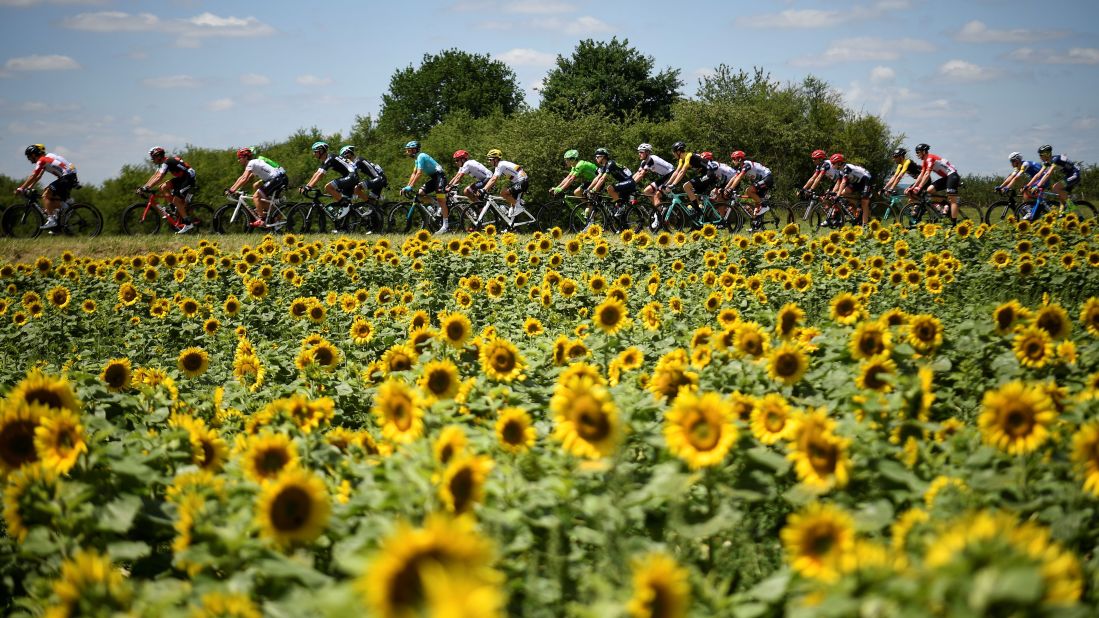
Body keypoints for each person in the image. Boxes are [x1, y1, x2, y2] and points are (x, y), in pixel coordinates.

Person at [14, 144, 79, 231]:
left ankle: (52, 219)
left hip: (66, 177)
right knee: (51, 197)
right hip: (71, 176)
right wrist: (29, 187)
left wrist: (21, 188)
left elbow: (34, 175)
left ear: (33, 155)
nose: (29, 159)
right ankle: (63, 212)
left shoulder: (41, 160)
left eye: (29, 157)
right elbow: (38, 176)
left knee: (46, 195)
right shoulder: (48, 158)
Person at [227, 147, 288, 227]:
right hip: (277, 178)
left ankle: (262, 220)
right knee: (260, 200)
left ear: (245, 157)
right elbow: (243, 177)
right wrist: (232, 189)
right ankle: (276, 214)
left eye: (239, 158)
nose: (238, 160)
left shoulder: (251, 163)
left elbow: (244, 179)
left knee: (256, 197)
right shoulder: (253, 163)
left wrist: (232, 190)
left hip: (276, 178)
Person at [141, 146, 197, 234]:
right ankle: (173, 208)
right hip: (181, 178)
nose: (152, 159)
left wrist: (148, 187)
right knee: (163, 187)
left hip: (188, 178)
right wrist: (144, 186)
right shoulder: (163, 163)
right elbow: (155, 176)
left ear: (158, 156)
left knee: (176, 200)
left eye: (153, 157)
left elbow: (159, 177)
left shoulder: (167, 162)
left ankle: (188, 223)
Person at [399, 140, 449, 232]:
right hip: (434, 178)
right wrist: (407, 186)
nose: (407, 152)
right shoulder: (417, 159)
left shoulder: (421, 156)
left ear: (414, 150)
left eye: (409, 150)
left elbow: (419, 173)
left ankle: (445, 226)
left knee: (441, 200)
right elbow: (414, 173)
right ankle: (436, 204)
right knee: (420, 193)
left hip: (440, 176)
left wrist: (411, 186)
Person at [301, 141, 358, 219]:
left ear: (321, 151)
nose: (313, 154)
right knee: (342, 198)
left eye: (315, 152)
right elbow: (317, 173)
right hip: (351, 177)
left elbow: (320, 175)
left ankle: (345, 205)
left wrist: (309, 187)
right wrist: (307, 185)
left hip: (351, 176)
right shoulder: (326, 160)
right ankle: (345, 225)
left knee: (328, 187)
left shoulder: (330, 158)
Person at [906, 143, 961, 223]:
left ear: (924, 152)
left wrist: (919, 187)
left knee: (953, 200)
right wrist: (914, 186)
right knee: (930, 190)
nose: (916, 154)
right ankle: (945, 204)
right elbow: (921, 175)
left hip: (952, 176)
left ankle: (954, 223)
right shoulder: (925, 161)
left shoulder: (929, 158)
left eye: (918, 152)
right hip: (946, 177)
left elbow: (927, 174)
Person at [1028, 144, 1081, 212]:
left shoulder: (1056, 159)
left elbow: (1048, 174)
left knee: (1056, 187)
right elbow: (1038, 174)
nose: (1040, 157)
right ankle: (1066, 210)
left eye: (1041, 155)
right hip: (1069, 175)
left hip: (1075, 174)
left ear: (1046, 154)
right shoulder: (1047, 162)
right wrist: (1028, 185)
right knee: (1060, 196)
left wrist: (1038, 186)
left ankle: (1071, 205)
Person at [664, 141, 716, 208]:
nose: (673, 154)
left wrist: (673, 185)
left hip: (710, 173)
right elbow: (676, 172)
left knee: (686, 186)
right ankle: (702, 212)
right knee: (692, 193)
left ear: (678, 152)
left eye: (674, 152)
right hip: (703, 174)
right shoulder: (681, 160)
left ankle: (698, 210)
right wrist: (667, 184)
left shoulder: (689, 156)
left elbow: (682, 172)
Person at [481, 149, 529, 218]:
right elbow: (493, 179)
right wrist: (488, 188)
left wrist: (484, 189)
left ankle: (519, 207)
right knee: (511, 209)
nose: (489, 161)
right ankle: (512, 225)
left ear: (496, 159)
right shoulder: (500, 165)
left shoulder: (501, 165)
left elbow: (494, 179)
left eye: (490, 159)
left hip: (522, 181)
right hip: (520, 182)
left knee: (503, 193)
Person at [724, 151, 775, 217]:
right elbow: (734, 177)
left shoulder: (746, 164)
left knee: (749, 191)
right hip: (762, 180)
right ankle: (757, 223)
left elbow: (739, 177)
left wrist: (731, 188)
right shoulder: (741, 167)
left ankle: (765, 206)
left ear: (739, 159)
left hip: (767, 178)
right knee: (757, 205)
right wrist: (726, 187)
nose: (732, 161)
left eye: (734, 159)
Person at [829, 153, 873, 225]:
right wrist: (833, 192)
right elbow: (838, 183)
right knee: (843, 193)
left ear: (839, 163)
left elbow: (843, 183)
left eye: (834, 163)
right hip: (857, 181)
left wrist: (837, 195)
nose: (832, 165)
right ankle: (857, 205)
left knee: (864, 202)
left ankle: (865, 225)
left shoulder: (846, 168)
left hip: (866, 179)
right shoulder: (840, 171)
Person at [633, 143, 675, 209]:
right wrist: (629, 182)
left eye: (641, 152)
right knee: (646, 191)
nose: (639, 154)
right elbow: (638, 173)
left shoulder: (651, 159)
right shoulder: (644, 162)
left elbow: (641, 175)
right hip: (664, 176)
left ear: (647, 152)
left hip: (671, 174)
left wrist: (631, 185)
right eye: (639, 152)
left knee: (656, 195)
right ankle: (660, 209)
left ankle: (660, 213)